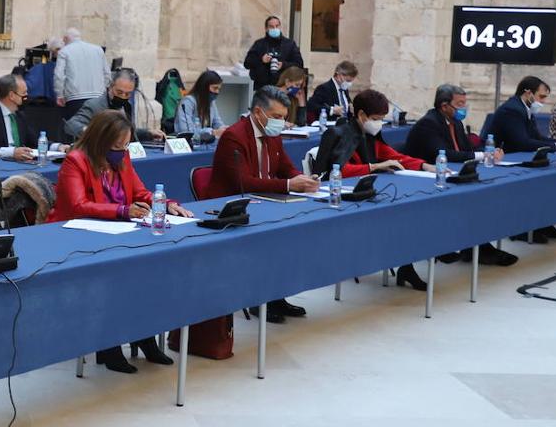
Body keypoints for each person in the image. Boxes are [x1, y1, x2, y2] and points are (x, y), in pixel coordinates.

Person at [46, 110, 193, 372]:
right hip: (76, 237)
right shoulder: (76, 161)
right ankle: (109, 346)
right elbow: (79, 205)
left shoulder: (122, 159)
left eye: (125, 145)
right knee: (116, 276)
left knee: (149, 270)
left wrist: (166, 203)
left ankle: (143, 335)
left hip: (116, 234)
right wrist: (122, 211)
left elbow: (140, 192)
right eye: (117, 146)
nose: (122, 151)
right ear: (100, 140)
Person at [206, 86, 319, 322]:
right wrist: (289, 185)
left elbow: (285, 168)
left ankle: (276, 296)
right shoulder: (234, 136)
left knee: (291, 233)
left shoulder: (272, 135)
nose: (282, 123)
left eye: (284, 117)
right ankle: (259, 300)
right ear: (258, 112)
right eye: (277, 117)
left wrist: (304, 180)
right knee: (270, 239)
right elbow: (243, 182)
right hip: (232, 209)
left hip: (264, 202)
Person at [316, 90, 436, 289]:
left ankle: (406, 265)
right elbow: (339, 171)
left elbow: (394, 156)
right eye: (376, 119)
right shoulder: (340, 133)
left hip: (365, 194)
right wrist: (374, 167)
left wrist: (424, 165)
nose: (379, 124)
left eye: (382, 119)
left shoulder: (370, 135)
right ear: (361, 115)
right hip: (343, 200)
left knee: (407, 211)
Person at [404, 84, 515, 266]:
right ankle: (463, 246)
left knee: (480, 197)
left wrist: (490, 151)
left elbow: (467, 149)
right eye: (460, 104)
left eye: (465, 103)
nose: (464, 108)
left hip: (451, 176)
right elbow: (444, 153)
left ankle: (477, 246)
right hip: (425, 181)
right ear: (444, 106)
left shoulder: (456, 122)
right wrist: (482, 155)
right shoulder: (428, 123)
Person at [488, 76, 556, 245]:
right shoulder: (512, 109)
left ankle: (542, 224)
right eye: (541, 97)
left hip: (519, 157)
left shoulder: (525, 108)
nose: (542, 101)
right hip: (503, 160)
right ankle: (521, 230)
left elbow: (536, 136)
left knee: (548, 180)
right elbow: (521, 142)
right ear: (528, 93)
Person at [63, 69, 166, 143]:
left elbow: (123, 133)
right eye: (119, 92)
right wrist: (92, 132)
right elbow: (71, 125)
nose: (123, 96)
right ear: (110, 87)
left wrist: (148, 133)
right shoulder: (94, 105)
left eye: (128, 94)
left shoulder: (126, 106)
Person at [53, 27, 110, 119]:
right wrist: (103, 90)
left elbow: (59, 76)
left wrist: (60, 95)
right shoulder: (98, 49)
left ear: (65, 39)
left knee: (76, 129)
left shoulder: (64, 51)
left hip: (75, 98)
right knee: (97, 129)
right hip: (98, 97)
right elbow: (107, 74)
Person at [243, 16, 303, 89]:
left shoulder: (290, 44)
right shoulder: (259, 44)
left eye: (277, 26)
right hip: (262, 86)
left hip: (284, 87)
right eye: (271, 27)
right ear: (266, 29)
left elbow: (299, 64)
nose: (275, 28)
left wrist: (283, 65)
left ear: (280, 27)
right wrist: (261, 59)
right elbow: (247, 63)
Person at [173, 70, 228, 144]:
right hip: (187, 146)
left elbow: (217, 123)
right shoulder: (187, 102)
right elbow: (186, 132)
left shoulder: (211, 103)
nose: (217, 92)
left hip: (205, 144)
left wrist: (224, 129)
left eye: (219, 89)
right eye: (215, 88)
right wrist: (212, 132)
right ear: (204, 87)